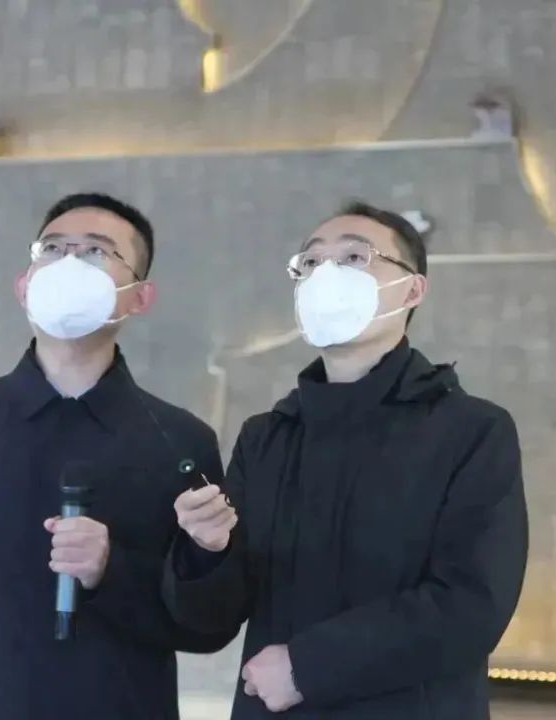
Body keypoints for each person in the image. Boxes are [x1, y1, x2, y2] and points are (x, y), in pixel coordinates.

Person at [0, 193, 235, 720]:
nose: (69, 263)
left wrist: (112, 570)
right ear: (24, 286)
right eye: (52, 249)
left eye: (96, 251)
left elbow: (207, 627)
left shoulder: (181, 440)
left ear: (139, 297)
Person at [162, 201, 529, 719]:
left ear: (412, 289)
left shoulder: (471, 431)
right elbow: (213, 619)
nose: (326, 274)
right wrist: (207, 551)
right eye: (311, 262)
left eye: (355, 257)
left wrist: (308, 667)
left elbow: (471, 604)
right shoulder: (265, 437)